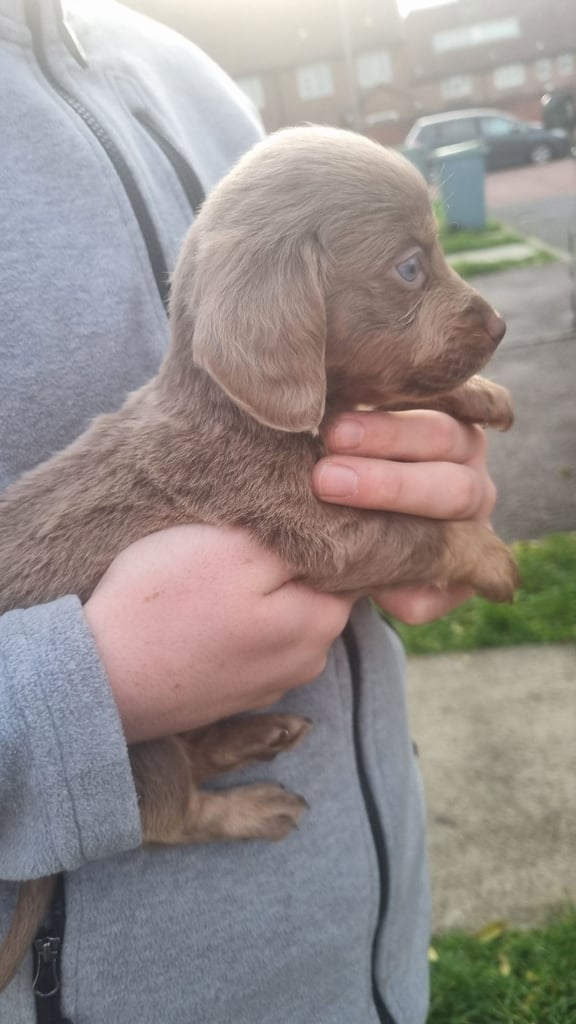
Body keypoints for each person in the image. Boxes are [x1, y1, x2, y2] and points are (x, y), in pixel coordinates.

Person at [0, 2, 497, 1021]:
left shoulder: (188, 73)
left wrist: (423, 445)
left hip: (365, 965)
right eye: (419, 265)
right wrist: (80, 697)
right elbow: (313, 523)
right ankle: (192, 809)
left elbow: (315, 372)